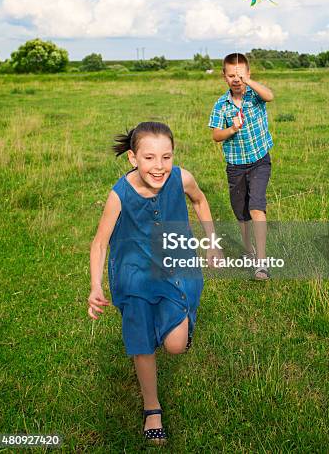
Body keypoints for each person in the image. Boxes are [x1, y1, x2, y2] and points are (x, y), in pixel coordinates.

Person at [88, 121, 220, 445]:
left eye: (166, 157)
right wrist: (96, 286)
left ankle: (178, 325)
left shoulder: (182, 178)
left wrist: (212, 240)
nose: (158, 167)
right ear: (133, 158)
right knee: (141, 340)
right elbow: (100, 243)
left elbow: (200, 201)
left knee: (175, 346)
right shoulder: (119, 195)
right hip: (134, 276)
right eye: (149, 158)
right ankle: (152, 408)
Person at [208, 53, 274, 280]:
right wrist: (232, 129)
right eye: (231, 75)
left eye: (240, 74)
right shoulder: (221, 105)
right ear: (224, 77)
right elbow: (216, 135)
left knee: (256, 206)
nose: (236, 79)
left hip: (259, 161)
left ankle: (261, 262)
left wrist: (250, 82)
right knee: (241, 213)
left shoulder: (255, 95)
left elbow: (270, 96)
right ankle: (248, 251)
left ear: (247, 74)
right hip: (235, 166)